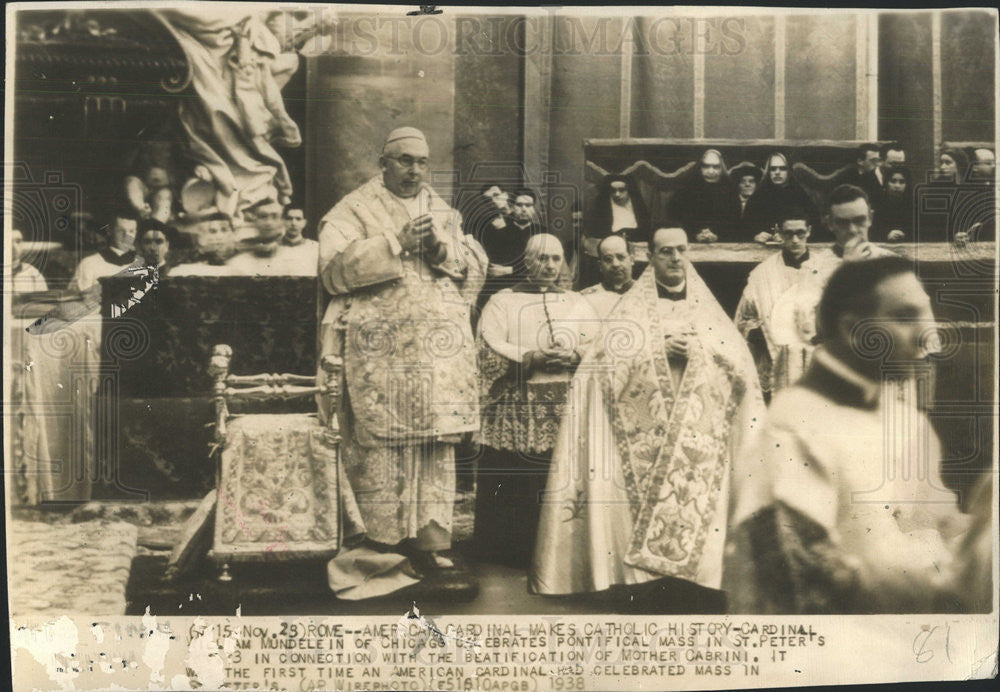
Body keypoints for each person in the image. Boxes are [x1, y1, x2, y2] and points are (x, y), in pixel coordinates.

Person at [530, 227, 764, 613]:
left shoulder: (707, 309)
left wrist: (698, 353)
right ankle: (645, 584)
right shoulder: (631, 310)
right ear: (650, 256)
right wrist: (657, 350)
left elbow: (738, 366)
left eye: (681, 250)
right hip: (641, 427)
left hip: (695, 428)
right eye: (665, 251)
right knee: (637, 497)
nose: (674, 258)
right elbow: (601, 364)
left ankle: (697, 582)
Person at [726, 256, 970, 613]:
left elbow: (940, 521)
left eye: (924, 314)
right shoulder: (791, 431)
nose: (926, 334)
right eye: (905, 317)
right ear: (854, 330)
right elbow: (798, 584)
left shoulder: (909, 421)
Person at [317, 126, 488, 576]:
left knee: (433, 446)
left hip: (436, 357)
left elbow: (470, 266)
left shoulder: (441, 209)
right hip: (380, 356)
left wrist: (437, 249)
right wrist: (394, 244)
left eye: (421, 161)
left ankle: (430, 542)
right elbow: (332, 273)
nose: (414, 170)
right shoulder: (353, 210)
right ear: (383, 162)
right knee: (381, 448)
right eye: (404, 161)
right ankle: (380, 541)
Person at [474, 234, 597, 568]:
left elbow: (599, 346)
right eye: (542, 258)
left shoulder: (577, 302)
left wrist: (574, 355)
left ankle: (561, 555)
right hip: (518, 402)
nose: (550, 266)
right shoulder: (503, 301)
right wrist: (531, 358)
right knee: (517, 476)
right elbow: (487, 344)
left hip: (565, 403)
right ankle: (511, 553)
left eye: (556, 259)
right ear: (526, 261)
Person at [735, 209, 832, 396]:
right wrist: (759, 332)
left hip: (816, 358)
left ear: (809, 231)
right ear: (779, 233)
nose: (795, 240)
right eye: (789, 233)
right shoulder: (762, 274)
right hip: (776, 358)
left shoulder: (826, 270)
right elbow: (743, 318)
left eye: (800, 233)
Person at [581, 173, 650, 287]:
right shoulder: (602, 210)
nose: (617, 194)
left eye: (622, 190)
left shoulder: (639, 209)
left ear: (628, 191)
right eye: (613, 191)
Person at [667, 149, 738, 243]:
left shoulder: (730, 191)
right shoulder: (685, 190)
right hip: (689, 241)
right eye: (706, 166)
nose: (711, 171)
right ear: (700, 167)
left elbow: (735, 224)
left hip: (723, 243)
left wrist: (716, 236)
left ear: (722, 168)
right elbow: (674, 220)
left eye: (716, 167)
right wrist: (695, 235)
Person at [743, 152, 816, 242]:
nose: (777, 172)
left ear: (789, 171)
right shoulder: (757, 198)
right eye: (773, 169)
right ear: (768, 172)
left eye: (782, 168)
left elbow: (814, 228)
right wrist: (755, 236)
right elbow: (744, 229)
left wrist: (788, 236)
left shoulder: (801, 196)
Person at [225, 198, 289, 275]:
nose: (268, 222)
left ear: (283, 221)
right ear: (255, 220)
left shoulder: (294, 252)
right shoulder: (239, 260)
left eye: (274, 217)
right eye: (263, 217)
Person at [579, 234, 634, 320]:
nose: (615, 264)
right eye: (608, 259)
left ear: (631, 260)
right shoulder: (587, 299)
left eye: (621, 257)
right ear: (600, 265)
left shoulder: (648, 294)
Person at [171, 213, 239, 276]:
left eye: (224, 230)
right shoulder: (186, 269)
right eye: (212, 231)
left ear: (234, 234)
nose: (219, 236)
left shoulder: (243, 262)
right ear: (200, 238)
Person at [872, 166, 913, 242]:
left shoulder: (914, 205)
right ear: (886, 183)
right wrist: (886, 235)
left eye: (902, 182)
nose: (897, 186)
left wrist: (905, 235)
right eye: (893, 181)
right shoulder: (878, 204)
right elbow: (873, 231)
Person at [276, 205, 318, 275]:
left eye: (298, 219)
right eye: (289, 219)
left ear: (304, 223)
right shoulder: (273, 247)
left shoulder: (315, 248)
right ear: (283, 221)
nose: (293, 223)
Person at [730, 162, 762, 237]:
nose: (747, 184)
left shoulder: (762, 204)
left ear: (756, 184)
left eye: (751, 181)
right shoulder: (729, 203)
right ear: (737, 184)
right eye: (743, 181)